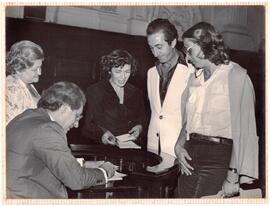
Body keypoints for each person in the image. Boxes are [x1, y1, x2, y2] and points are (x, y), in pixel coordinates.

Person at [174, 22, 258, 198]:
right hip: (191, 152)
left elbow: (244, 131)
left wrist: (233, 174)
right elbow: (189, 121)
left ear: (204, 44)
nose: (187, 58)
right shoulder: (194, 78)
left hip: (219, 156)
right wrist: (179, 145)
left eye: (189, 50)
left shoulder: (236, 76)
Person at [7, 81, 117, 198]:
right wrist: (104, 172)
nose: (76, 125)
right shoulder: (48, 129)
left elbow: (37, 160)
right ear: (65, 109)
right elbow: (76, 180)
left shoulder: (26, 117)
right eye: (76, 116)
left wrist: (84, 164)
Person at [146, 18, 192, 156]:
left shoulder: (191, 72)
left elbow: (193, 116)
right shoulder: (151, 73)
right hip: (153, 145)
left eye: (159, 47)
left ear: (172, 42)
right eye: (151, 48)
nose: (155, 53)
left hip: (180, 148)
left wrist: (182, 144)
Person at [82, 49, 146, 146]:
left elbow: (142, 119)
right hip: (102, 149)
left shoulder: (135, 92)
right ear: (109, 70)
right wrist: (101, 134)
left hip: (131, 148)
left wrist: (140, 127)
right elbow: (86, 125)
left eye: (127, 71)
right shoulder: (94, 91)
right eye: (118, 72)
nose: (123, 77)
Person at [6, 40, 44, 124]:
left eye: (40, 67)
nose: (39, 72)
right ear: (19, 69)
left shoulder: (29, 84)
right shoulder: (11, 89)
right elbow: (12, 128)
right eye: (34, 69)